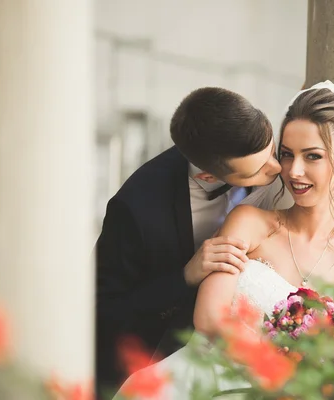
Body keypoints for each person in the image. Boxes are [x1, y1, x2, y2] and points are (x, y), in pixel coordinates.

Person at [114, 81, 334, 399]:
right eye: (286, 154)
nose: (293, 170)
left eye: (312, 156)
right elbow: (211, 316)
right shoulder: (249, 222)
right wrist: (284, 376)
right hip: (200, 384)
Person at [95, 87, 288, 395]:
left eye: (273, 151)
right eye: (260, 169)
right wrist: (185, 275)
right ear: (208, 177)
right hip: (166, 363)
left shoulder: (257, 146)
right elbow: (105, 313)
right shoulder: (135, 210)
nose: (278, 169)